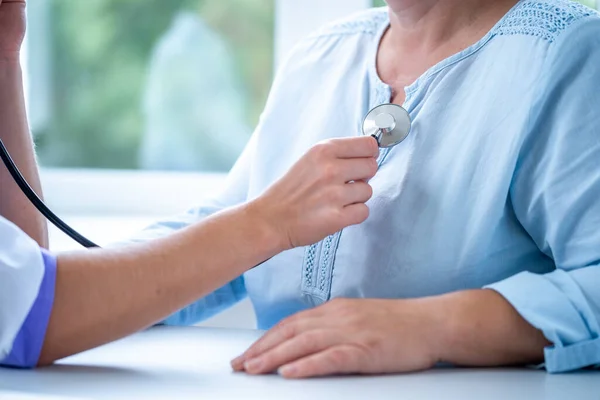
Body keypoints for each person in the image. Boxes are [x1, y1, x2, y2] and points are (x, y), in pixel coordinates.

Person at [128, 0, 599, 378]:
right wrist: (80, 282)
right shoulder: (319, 55)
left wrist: (432, 326)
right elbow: (224, 224)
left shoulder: (569, 52)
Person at [0, 0, 379, 368]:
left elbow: (22, 270)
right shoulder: (317, 59)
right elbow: (25, 307)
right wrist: (269, 222)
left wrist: (4, 59)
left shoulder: (319, 54)